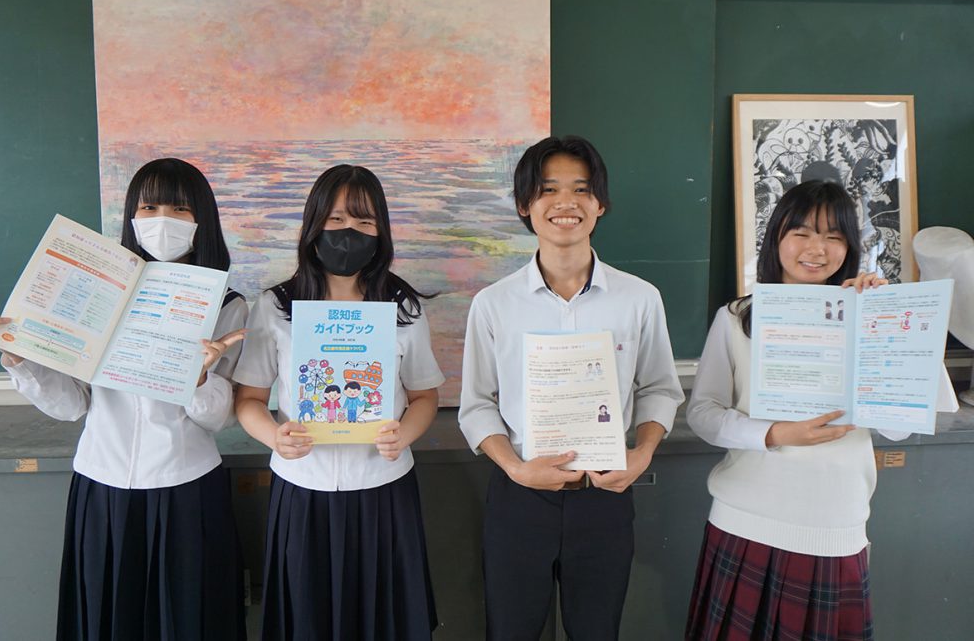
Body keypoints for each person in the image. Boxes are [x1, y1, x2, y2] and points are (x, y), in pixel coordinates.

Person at [0, 157, 248, 641]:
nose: (163, 221)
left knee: (188, 618)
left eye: (180, 209)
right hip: (101, 482)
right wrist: (18, 356)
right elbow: (72, 404)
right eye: (149, 207)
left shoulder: (228, 304)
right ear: (131, 216)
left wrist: (196, 377)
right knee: (107, 616)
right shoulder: (99, 294)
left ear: (202, 220)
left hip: (186, 483)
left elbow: (220, 418)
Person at [458, 135, 684, 640]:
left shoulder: (639, 298)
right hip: (520, 495)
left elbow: (659, 388)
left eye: (581, 189)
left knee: (597, 631)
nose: (566, 202)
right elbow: (477, 405)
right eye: (548, 189)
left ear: (600, 203)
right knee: (510, 632)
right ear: (525, 204)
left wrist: (643, 452)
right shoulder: (493, 304)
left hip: (604, 494)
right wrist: (516, 467)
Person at [684, 180, 903, 641]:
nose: (816, 249)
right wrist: (775, 434)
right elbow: (702, 413)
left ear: (850, 247)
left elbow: (901, 428)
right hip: (744, 518)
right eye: (801, 233)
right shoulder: (736, 317)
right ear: (777, 238)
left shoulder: (871, 317)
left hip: (833, 524)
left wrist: (885, 320)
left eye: (833, 237)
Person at [233, 164, 444, 640]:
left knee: (384, 619)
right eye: (337, 219)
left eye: (365, 222)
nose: (350, 232)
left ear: (381, 232)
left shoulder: (403, 307)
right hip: (301, 488)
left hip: (383, 487)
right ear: (314, 225)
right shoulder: (275, 306)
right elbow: (248, 399)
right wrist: (275, 436)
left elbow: (424, 396)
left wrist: (404, 434)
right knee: (307, 619)